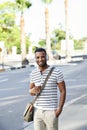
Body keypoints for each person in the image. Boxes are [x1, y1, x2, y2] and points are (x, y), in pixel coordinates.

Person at [29, 48, 66, 130]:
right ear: (35, 59)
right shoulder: (33, 73)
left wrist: (59, 109)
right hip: (37, 111)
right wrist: (33, 91)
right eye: (37, 57)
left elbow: (62, 91)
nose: (40, 59)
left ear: (46, 57)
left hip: (51, 111)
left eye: (42, 57)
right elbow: (30, 91)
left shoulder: (56, 72)